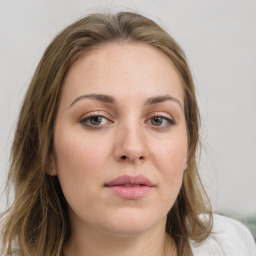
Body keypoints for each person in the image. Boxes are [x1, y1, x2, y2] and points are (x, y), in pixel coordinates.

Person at [0, 11, 255, 256]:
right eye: (96, 119)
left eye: (159, 119)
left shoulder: (233, 245)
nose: (132, 148)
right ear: (46, 150)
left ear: (189, 147)